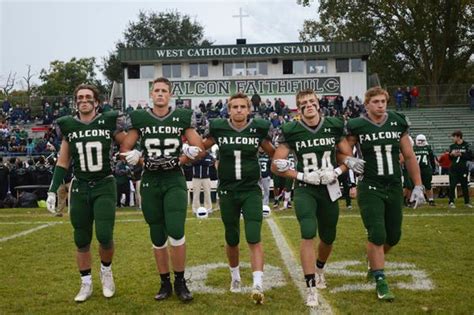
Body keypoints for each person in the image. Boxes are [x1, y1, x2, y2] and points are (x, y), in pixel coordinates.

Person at [271, 88, 364, 307]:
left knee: (328, 236)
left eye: (311, 101)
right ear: (298, 107)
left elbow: (348, 158)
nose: (308, 105)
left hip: (330, 186)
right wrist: (302, 175)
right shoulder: (291, 129)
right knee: (307, 232)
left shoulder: (332, 125)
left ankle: (320, 268)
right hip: (305, 188)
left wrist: (337, 172)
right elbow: (276, 165)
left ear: (318, 103)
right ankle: (310, 284)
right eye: (303, 102)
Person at [120, 77, 203, 302]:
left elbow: (200, 148)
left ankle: (180, 281)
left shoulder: (182, 116)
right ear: (151, 94)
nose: (159, 94)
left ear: (170, 95)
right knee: (157, 235)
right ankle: (164, 282)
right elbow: (125, 148)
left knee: (176, 230)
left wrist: (185, 158)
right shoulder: (140, 117)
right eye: (156, 90)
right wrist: (138, 159)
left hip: (174, 178)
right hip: (150, 180)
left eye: (164, 91)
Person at [46, 84, 127, 302]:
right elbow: (63, 161)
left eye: (88, 97)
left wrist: (133, 152)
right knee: (81, 238)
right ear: (76, 101)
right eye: (80, 97)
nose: (84, 100)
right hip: (80, 186)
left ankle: (106, 272)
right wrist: (53, 189)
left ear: (96, 102)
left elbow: (126, 143)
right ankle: (86, 283)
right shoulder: (68, 125)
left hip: (104, 184)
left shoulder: (108, 120)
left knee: (104, 234)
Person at [345, 86, 425, 302]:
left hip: (393, 185)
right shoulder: (357, 125)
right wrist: (347, 160)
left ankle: (373, 259)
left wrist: (418, 185)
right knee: (377, 233)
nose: (380, 105)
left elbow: (408, 156)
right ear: (367, 104)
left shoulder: (397, 121)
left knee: (394, 236)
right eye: (376, 102)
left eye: (383, 101)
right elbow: (343, 150)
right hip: (370, 185)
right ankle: (380, 278)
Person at [202, 92, 275, 304]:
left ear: (249, 109)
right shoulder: (219, 127)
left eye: (242, 106)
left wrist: (282, 161)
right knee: (232, 237)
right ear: (229, 109)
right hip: (227, 190)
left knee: (253, 235)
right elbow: (201, 147)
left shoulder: (258, 128)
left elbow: (273, 152)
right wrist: (189, 150)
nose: (239, 110)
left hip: (251, 189)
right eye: (235, 107)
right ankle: (235, 277)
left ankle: (258, 282)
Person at [448, 130, 472, 208]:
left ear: (458, 137)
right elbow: (450, 158)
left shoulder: (467, 145)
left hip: (463, 168)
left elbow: (470, 156)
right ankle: (451, 202)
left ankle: (467, 202)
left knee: (464, 185)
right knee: (452, 185)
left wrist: (461, 154)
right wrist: (451, 154)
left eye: (454, 137)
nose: (452, 138)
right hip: (454, 169)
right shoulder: (452, 146)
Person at [413, 134, 436, 205]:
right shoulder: (427, 148)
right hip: (420, 169)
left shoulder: (414, 148)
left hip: (424, 169)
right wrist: (433, 168)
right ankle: (426, 199)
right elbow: (432, 160)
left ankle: (430, 199)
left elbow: (432, 159)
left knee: (427, 185)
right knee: (419, 185)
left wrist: (433, 168)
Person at [191, 149, 214, 214]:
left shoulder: (209, 156)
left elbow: (207, 163)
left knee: (207, 194)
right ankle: (195, 210)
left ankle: (208, 209)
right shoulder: (194, 156)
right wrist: (200, 161)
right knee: (196, 194)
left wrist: (200, 160)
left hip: (206, 178)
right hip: (196, 178)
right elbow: (193, 163)